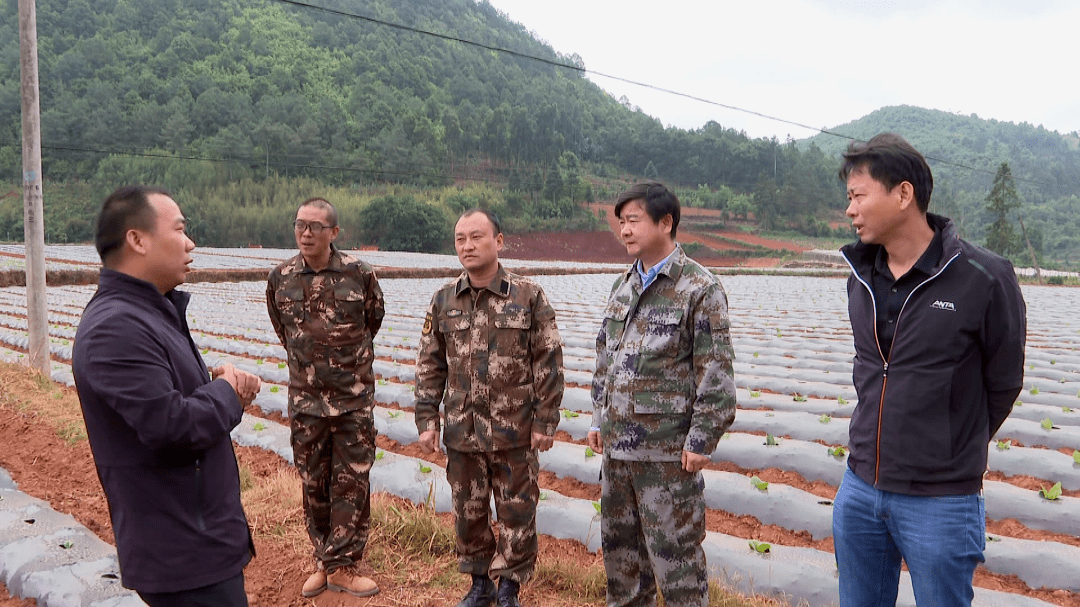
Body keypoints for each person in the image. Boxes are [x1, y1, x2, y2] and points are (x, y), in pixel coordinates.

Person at [834, 133, 1027, 606]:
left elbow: (1004, 382)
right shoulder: (861, 277)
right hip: (860, 489)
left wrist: (950, 443)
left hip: (940, 501)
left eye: (859, 196)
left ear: (903, 194)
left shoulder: (984, 277)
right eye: (849, 199)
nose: (850, 210)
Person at [73, 185, 261, 606]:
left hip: (196, 544)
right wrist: (228, 392)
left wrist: (220, 389)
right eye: (180, 229)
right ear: (137, 240)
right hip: (183, 555)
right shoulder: (115, 327)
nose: (190, 243)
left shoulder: (149, 312)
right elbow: (171, 426)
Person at [587, 182, 736, 607]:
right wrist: (598, 418)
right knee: (623, 568)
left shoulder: (699, 288)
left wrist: (700, 440)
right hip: (617, 457)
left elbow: (717, 372)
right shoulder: (623, 285)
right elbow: (606, 357)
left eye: (633, 221)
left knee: (678, 569)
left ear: (665, 222)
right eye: (621, 223)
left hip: (667, 458)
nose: (625, 231)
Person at [414, 209, 564, 607]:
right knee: (469, 511)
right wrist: (427, 417)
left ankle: (510, 585)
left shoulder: (528, 295)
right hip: (463, 430)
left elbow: (548, 360)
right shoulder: (444, 299)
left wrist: (545, 421)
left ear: (498, 241)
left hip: (514, 429)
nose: (467, 245)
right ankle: (479, 584)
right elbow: (431, 363)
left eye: (476, 237)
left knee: (517, 511)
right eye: (460, 238)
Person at [266, 197, 385, 598]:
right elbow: (283, 330)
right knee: (313, 481)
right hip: (306, 403)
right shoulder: (280, 278)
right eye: (300, 225)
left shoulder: (359, 274)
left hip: (352, 401)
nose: (306, 233)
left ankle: (345, 565)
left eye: (316, 226)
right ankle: (324, 559)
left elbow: (373, 320)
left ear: (334, 233)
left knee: (352, 481)